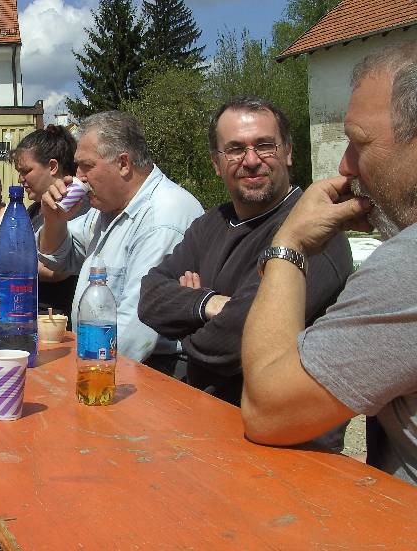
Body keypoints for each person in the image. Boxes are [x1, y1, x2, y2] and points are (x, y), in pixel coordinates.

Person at [240, 42, 417, 485]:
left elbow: (267, 409)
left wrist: (290, 243)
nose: (344, 164)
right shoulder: (209, 223)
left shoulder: (409, 265)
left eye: (359, 142)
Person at [139, 97, 352, 402]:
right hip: (200, 409)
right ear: (216, 163)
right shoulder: (211, 222)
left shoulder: (313, 234)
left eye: (265, 145)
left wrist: (185, 322)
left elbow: (232, 344)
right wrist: (208, 303)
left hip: (272, 424)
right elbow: (149, 297)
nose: (251, 160)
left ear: (288, 153)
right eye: (235, 149)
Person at [38, 110, 203, 363]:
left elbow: (134, 333)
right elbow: (56, 259)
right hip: (103, 357)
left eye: (86, 166)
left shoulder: (162, 217)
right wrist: (54, 220)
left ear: (124, 164)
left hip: (150, 367)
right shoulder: (107, 209)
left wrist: (78, 371)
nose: (78, 176)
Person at [12, 125, 87, 320]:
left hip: (57, 321)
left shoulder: (76, 205)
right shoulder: (33, 210)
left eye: (26, 171)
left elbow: (57, 270)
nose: (20, 179)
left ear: (53, 166)